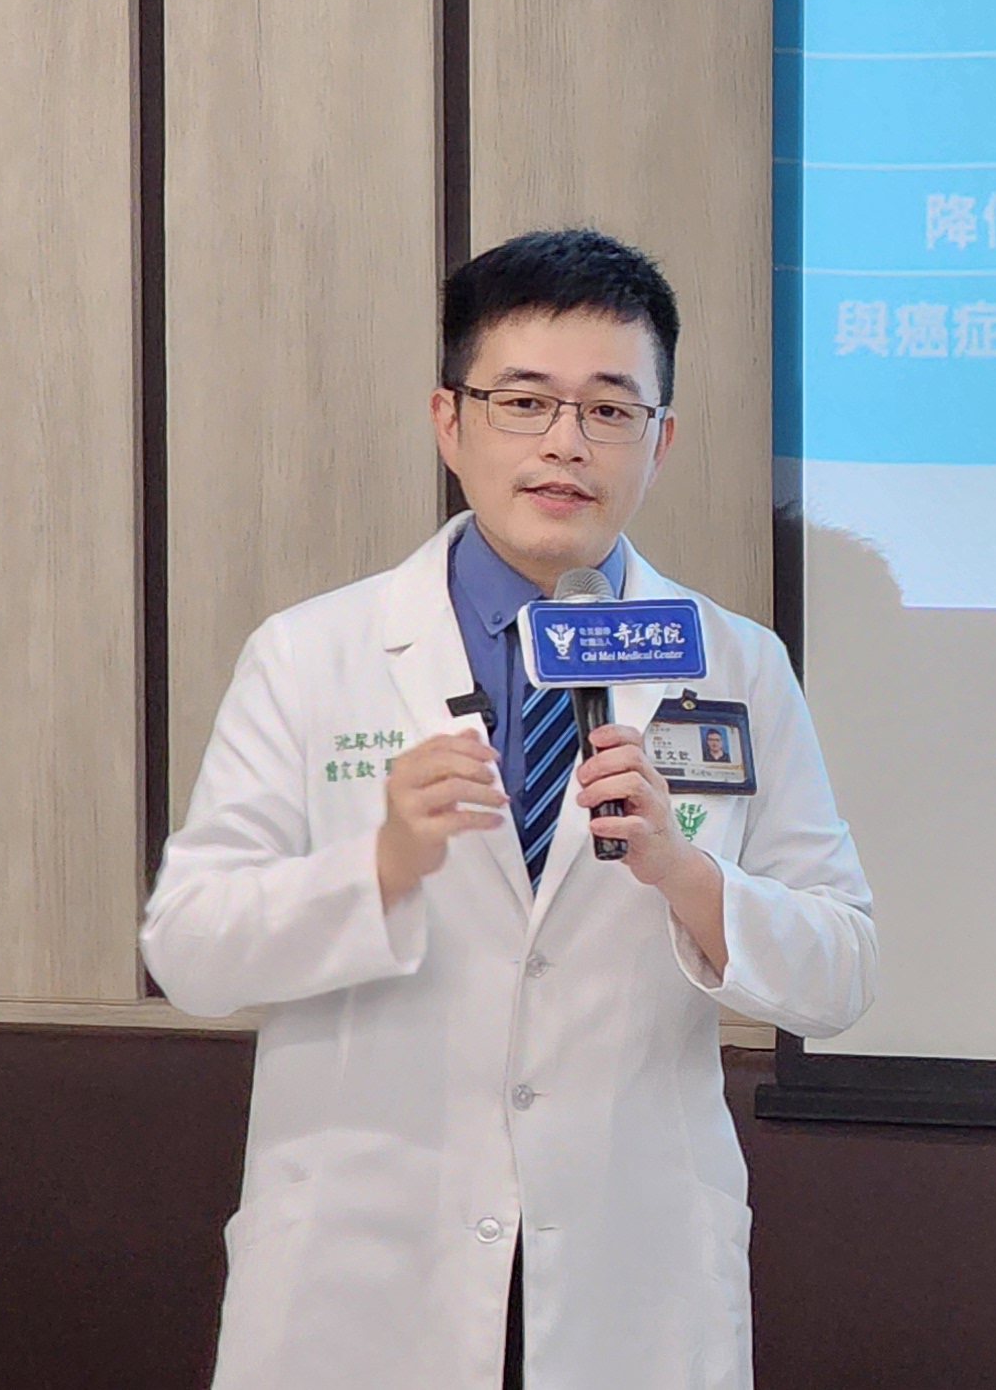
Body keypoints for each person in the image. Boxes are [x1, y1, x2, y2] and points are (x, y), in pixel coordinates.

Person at [144, 229, 875, 1390]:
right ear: (450, 421)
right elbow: (190, 950)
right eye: (524, 401)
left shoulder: (737, 664)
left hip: (627, 1277)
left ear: (661, 439)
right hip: (364, 1273)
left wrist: (689, 877)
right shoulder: (312, 653)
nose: (564, 443)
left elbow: (841, 969)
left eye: (609, 409)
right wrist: (382, 864)